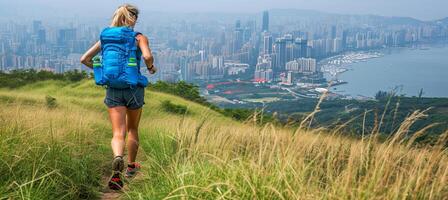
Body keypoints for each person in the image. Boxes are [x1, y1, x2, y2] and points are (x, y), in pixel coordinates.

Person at [80, 4, 157, 190]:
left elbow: (84, 59)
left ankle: (116, 165)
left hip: (113, 88)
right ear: (134, 19)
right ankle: (131, 167)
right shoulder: (138, 37)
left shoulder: (106, 38)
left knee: (117, 133)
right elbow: (147, 56)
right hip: (134, 89)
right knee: (133, 129)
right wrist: (151, 68)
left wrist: (102, 70)